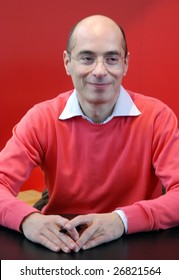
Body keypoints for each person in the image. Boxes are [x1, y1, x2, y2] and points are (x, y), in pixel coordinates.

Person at [1, 14, 179, 253]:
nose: (99, 71)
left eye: (112, 58)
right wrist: (27, 220)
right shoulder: (41, 118)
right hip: (61, 245)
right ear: (67, 62)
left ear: (125, 63)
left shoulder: (158, 117)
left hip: (136, 241)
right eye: (87, 58)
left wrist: (121, 220)